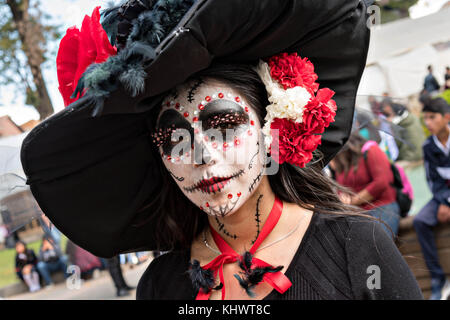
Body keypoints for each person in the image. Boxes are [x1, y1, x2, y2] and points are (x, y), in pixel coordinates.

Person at [21, 0, 423, 300]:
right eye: (173, 139)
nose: (202, 157)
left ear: (271, 126)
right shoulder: (161, 285)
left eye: (225, 126)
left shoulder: (356, 247)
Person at [413, 97, 450, 300]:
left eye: (432, 117)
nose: (428, 123)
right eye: (425, 118)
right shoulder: (428, 146)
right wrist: (444, 201)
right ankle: (438, 278)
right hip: (442, 196)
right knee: (420, 221)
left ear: (446, 117)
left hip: (446, 199)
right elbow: (432, 179)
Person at [330, 133, 401, 236]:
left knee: (376, 242)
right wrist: (343, 198)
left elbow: (381, 182)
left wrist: (353, 201)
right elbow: (342, 189)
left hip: (382, 207)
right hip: (357, 213)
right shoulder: (342, 164)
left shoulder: (370, 149)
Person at [380, 98, 426, 163]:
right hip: (423, 150)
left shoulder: (397, 125)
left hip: (410, 156)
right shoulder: (413, 117)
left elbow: (396, 146)